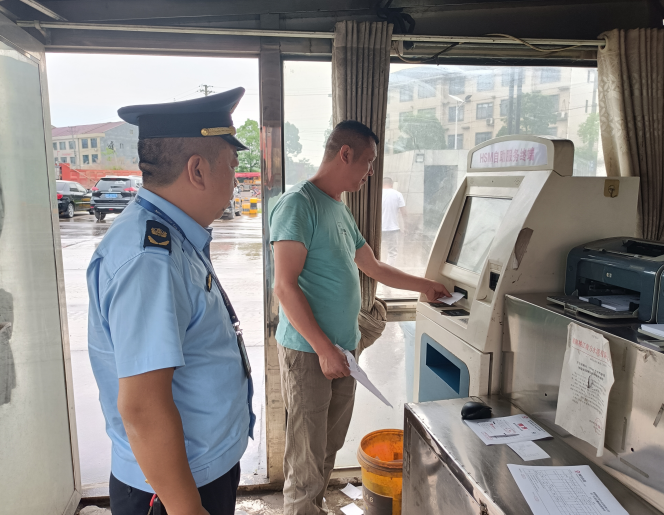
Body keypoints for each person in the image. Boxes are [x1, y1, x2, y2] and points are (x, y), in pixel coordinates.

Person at [269, 120, 451, 515]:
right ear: (345, 154)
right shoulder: (298, 204)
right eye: (368, 162)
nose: (370, 172)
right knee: (306, 456)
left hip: (343, 350)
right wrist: (323, 349)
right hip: (309, 352)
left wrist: (425, 285)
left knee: (327, 447)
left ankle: (313, 508)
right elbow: (284, 286)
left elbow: (373, 266)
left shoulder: (339, 208)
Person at [87, 88, 255, 515]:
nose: (235, 181)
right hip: (174, 490)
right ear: (198, 170)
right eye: (232, 166)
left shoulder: (171, 235)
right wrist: (187, 508)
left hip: (195, 472)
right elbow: (142, 407)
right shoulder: (150, 259)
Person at [380, 176, 406, 267]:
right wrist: (405, 227)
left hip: (378, 228)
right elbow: (404, 213)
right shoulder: (398, 194)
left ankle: (376, 270)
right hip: (393, 229)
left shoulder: (377, 194)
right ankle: (388, 271)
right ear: (391, 184)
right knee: (392, 252)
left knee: (375, 250)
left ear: (381, 184)